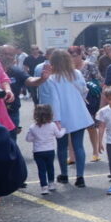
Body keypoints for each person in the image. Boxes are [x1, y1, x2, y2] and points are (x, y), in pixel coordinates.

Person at [41, 49, 94, 187]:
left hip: (60, 115)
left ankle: (64, 175)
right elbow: (84, 90)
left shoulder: (51, 79)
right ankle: (80, 177)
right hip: (78, 113)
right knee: (78, 146)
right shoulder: (76, 73)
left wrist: (55, 118)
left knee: (62, 147)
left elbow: (53, 100)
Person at [25, 104, 65, 194]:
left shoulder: (33, 127)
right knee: (50, 167)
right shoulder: (52, 125)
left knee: (41, 170)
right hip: (50, 150)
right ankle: (51, 183)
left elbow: (28, 139)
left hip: (38, 151)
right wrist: (63, 129)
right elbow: (59, 135)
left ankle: (44, 187)